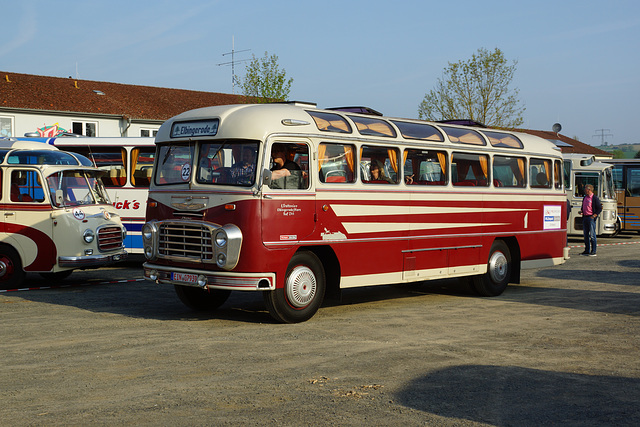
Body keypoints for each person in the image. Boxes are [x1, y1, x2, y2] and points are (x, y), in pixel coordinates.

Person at [578, 184, 602, 256]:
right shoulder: (585, 198)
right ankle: (587, 250)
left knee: (592, 235)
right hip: (585, 217)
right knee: (585, 235)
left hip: (591, 218)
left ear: (589, 190)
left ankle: (593, 251)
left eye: (585, 189)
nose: (584, 190)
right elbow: (583, 206)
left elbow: (599, 208)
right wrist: (582, 211)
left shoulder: (594, 198)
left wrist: (594, 215)